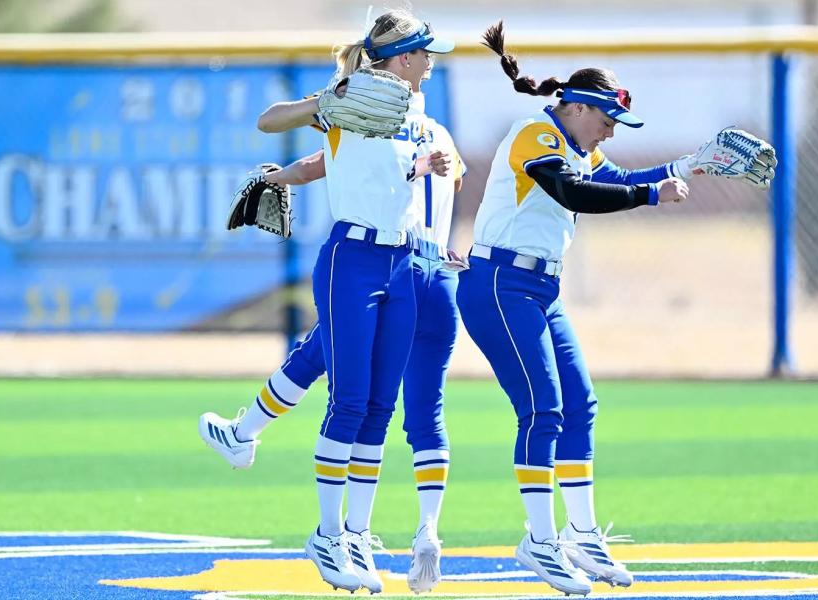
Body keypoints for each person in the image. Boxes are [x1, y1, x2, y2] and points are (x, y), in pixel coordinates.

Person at [455, 22, 772, 596]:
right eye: (604, 122)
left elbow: (622, 177)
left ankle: (580, 535)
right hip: (497, 285)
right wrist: (653, 195)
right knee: (542, 410)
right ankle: (540, 542)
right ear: (575, 107)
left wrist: (688, 164)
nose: (607, 135)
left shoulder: (575, 144)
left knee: (580, 405)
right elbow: (574, 193)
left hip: (536, 290)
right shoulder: (537, 134)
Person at [219, 9, 454, 594]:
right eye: (426, 53)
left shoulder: (419, 115)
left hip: (402, 261)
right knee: (348, 399)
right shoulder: (350, 98)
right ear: (404, 57)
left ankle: (355, 532)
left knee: (379, 406)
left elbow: (364, 171)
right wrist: (324, 103)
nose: (431, 62)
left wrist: (424, 165)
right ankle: (325, 535)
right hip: (351, 259)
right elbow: (269, 120)